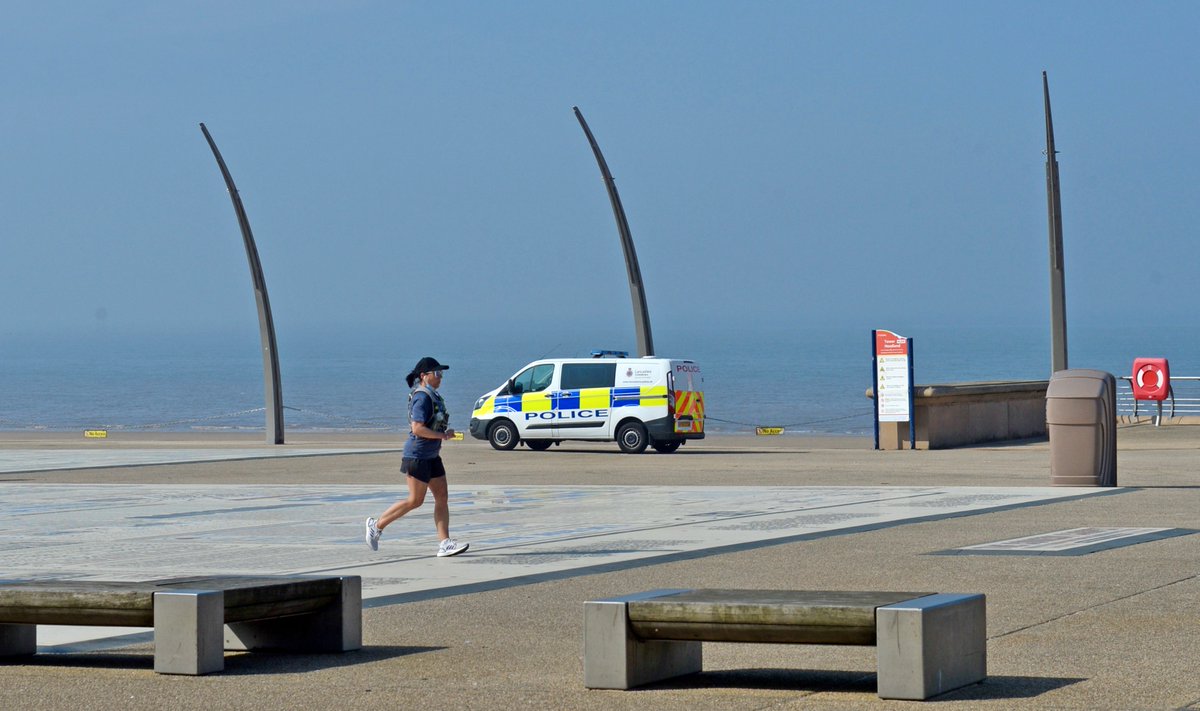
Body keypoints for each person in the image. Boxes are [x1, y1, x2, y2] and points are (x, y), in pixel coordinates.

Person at [365, 356, 469, 557]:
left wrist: (444, 432)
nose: (440, 378)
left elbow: (433, 423)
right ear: (424, 376)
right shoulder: (422, 397)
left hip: (432, 456)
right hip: (417, 456)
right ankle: (376, 525)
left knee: (442, 497)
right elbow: (417, 428)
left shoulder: (434, 396)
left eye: (442, 374)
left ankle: (445, 543)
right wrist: (442, 435)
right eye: (437, 373)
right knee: (415, 500)